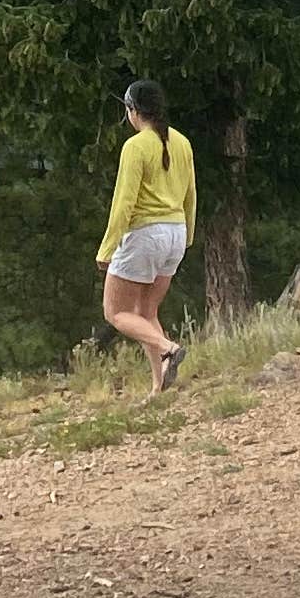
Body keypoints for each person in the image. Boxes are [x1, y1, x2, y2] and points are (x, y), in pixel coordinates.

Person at [96, 82, 197, 392]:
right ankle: (158, 386)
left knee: (116, 312)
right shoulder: (182, 142)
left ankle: (168, 347)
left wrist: (107, 247)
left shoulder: (136, 146)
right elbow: (190, 194)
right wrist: (188, 235)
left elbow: (124, 201)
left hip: (145, 234)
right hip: (176, 232)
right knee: (146, 311)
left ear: (133, 111)